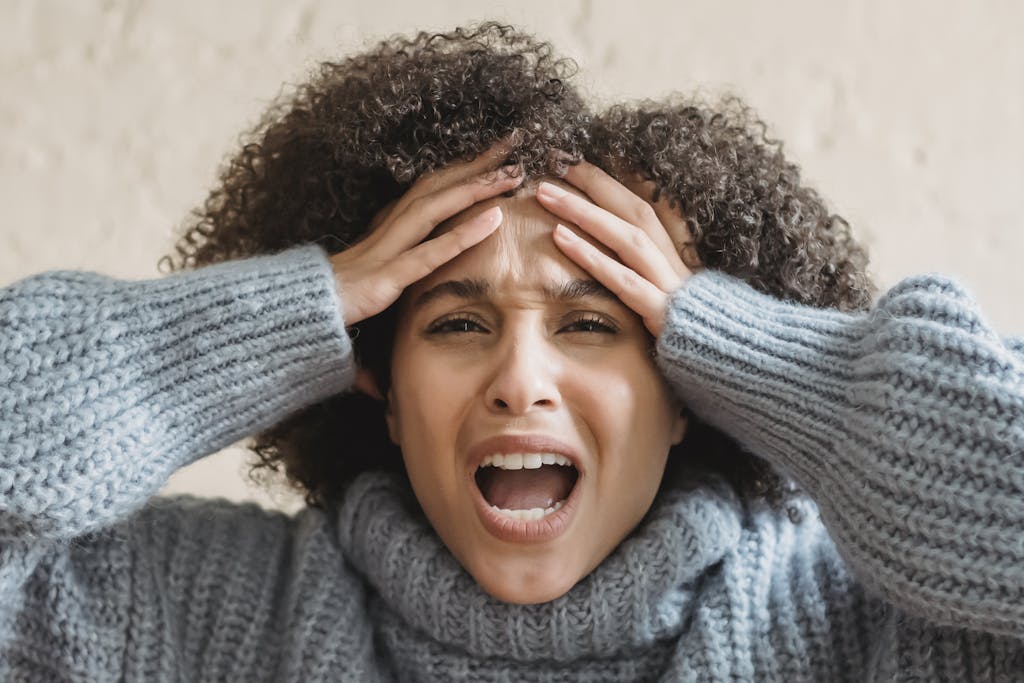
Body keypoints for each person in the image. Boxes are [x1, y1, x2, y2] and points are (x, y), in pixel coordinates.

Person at [1, 21, 1021, 682]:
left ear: (688, 390)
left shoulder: (865, 634)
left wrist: (761, 353)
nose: (520, 380)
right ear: (379, 382)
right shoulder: (189, 617)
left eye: (592, 323)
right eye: (455, 323)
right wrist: (285, 313)